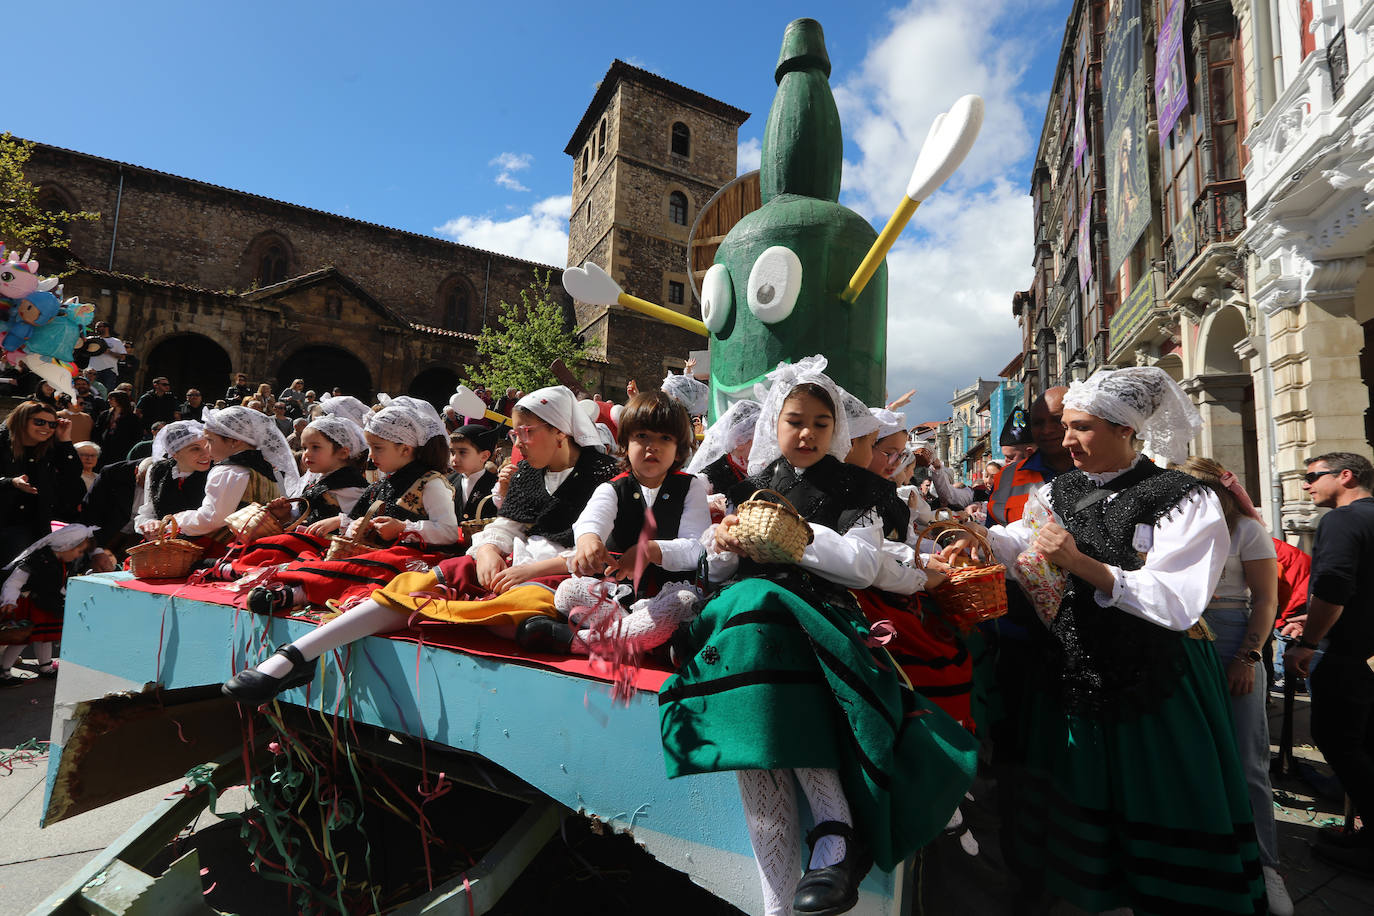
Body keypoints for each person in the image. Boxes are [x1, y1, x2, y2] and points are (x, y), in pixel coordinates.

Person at [662, 357, 975, 916]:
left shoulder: (860, 489)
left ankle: (829, 836)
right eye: (795, 421)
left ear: (837, 431)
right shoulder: (753, 486)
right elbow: (720, 574)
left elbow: (859, 566)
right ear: (774, 426)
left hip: (815, 614)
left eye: (820, 423)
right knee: (755, 725)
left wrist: (791, 538)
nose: (806, 433)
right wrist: (723, 548)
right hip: (749, 621)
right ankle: (796, 877)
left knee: (761, 628)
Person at [956, 367, 1264, 914]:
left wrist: (1080, 563)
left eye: (1082, 427)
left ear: (1126, 430)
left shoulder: (1181, 497)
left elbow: (1176, 599)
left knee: (1160, 789)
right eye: (1065, 426)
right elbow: (1024, 543)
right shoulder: (1061, 489)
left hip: (1156, 674)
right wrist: (981, 538)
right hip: (1077, 664)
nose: (1065, 439)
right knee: (1084, 790)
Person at [222, 386, 616, 704]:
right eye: (515, 433)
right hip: (512, 565)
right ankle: (296, 655)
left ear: (560, 432)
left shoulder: (604, 475)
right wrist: (490, 550)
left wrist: (526, 569)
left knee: (523, 606)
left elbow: (601, 552)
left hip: (556, 578)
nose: (519, 442)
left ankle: (520, 625)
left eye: (526, 433)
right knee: (417, 582)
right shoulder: (531, 473)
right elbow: (504, 526)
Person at [520, 390, 711, 655]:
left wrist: (652, 551)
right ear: (625, 442)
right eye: (642, 436)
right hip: (622, 597)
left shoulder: (690, 488)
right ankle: (649, 641)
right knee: (568, 591)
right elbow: (591, 520)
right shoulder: (614, 488)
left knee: (683, 603)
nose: (651, 446)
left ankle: (577, 642)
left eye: (664, 438)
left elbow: (697, 548)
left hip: (667, 594)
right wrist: (589, 540)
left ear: (679, 449)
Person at [1181, 457, 1292, 913]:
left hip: (1230, 636)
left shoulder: (1246, 529)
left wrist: (1248, 657)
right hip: (1181, 636)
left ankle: (1268, 866)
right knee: (1190, 752)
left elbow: (1266, 600)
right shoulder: (1177, 528)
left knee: (1248, 758)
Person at [236, 397, 458, 616]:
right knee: (314, 550)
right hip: (373, 550)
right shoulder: (384, 483)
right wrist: (355, 525)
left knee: (372, 564)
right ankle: (253, 572)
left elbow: (448, 532)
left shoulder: (431, 482)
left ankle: (300, 591)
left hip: (409, 557)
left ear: (405, 449)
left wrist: (403, 527)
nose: (370, 455)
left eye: (378, 448)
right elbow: (357, 518)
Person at [1286, 452, 1374, 876]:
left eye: (1313, 477)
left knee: (1338, 741)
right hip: (1363, 651)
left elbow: (1335, 586)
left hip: (1345, 654)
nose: (1306, 485)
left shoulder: (1341, 521)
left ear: (1346, 476)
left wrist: (1310, 640)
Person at [137, 407, 295, 548]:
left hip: (229, 549)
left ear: (234, 441)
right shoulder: (262, 468)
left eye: (210, 440)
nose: (206, 448)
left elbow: (211, 518)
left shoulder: (227, 471)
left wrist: (177, 520)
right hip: (260, 545)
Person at [0, 523, 109, 686]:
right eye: (78, 551)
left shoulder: (65, 563)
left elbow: (60, 584)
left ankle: (45, 666)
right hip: (31, 604)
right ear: (66, 546)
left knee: (45, 637)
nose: (79, 555)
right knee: (22, 639)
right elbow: (14, 582)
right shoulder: (36, 560)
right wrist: (9, 600)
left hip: (48, 604)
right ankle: (4, 671)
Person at [0, 401, 85, 565]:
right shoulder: (2, 441)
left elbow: (72, 473)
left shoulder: (52, 445)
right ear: (22, 420)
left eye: (52, 424)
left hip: (35, 522)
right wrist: (11, 483)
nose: (46, 427)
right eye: (39, 422)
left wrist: (65, 439)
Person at [132, 421, 214, 536]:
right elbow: (148, 512)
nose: (206, 454)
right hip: (166, 545)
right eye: (195, 449)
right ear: (174, 453)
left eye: (207, 445)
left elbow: (214, 519)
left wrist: (168, 528)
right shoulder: (158, 470)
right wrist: (150, 525)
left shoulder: (216, 471)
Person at [447, 424, 500, 523]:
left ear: (484, 456)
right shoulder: (447, 482)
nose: (454, 459)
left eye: (462, 452)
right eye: (452, 452)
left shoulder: (496, 485)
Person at [93, 391, 143, 471]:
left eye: (112, 399)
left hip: (122, 450)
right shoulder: (105, 414)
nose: (109, 401)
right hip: (104, 448)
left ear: (120, 400)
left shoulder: (132, 418)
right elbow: (97, 430)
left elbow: (137, 435)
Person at [87, 321, 125, 392]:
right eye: (95, 327)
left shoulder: (116, 341)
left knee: (106, 393)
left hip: (108, 372)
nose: (96, 329)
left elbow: (122, 357)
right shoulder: (92, 340)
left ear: (106, 328)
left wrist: (109, 352)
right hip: (92, 372)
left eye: (99, 327)